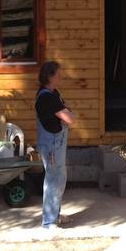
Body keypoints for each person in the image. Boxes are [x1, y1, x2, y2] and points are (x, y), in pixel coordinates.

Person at [34, 60, 76, 230]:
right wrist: (67, 113)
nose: (60, 76)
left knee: (59, 179)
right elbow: (70, 118)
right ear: (50, 76)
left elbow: (66, 111)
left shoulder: (53, 93)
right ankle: (49, 222)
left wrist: (66, 112)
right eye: (58, 74)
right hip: (51, 145)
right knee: (53, 180)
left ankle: (55, 216)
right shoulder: (46, 97)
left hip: (56, 143)